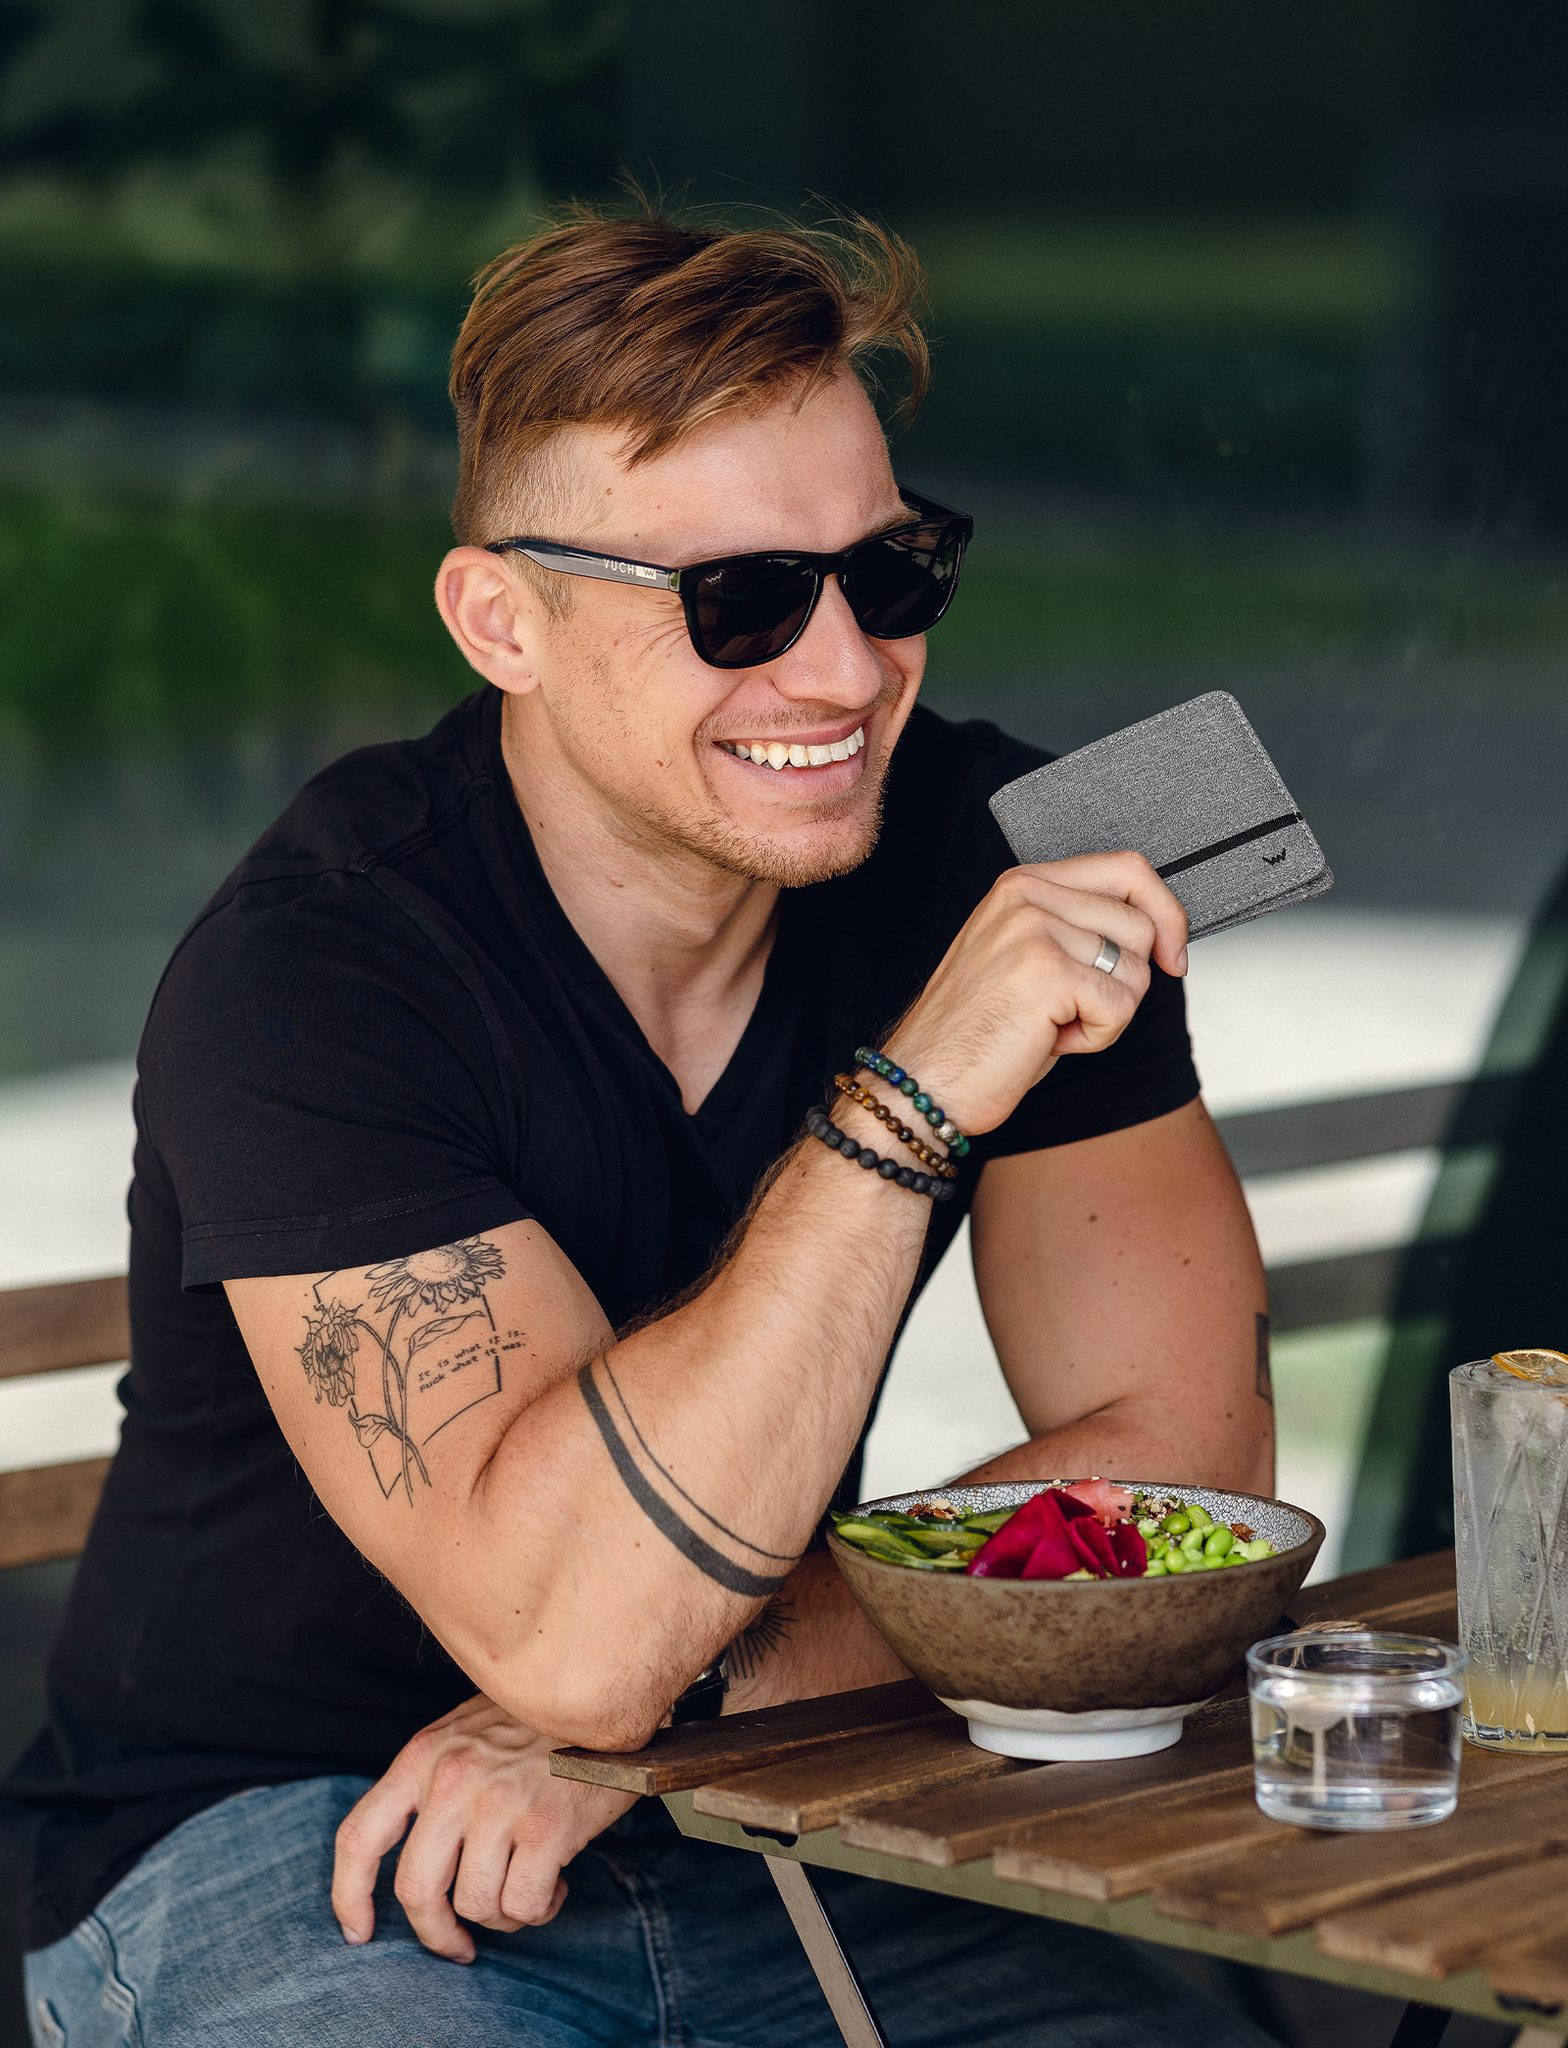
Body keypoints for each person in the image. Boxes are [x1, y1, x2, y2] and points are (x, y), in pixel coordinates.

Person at [1, 205, 1274, 2047]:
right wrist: (912, 1097)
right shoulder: (313, 971)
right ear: (501, 620)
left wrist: (703, 1696)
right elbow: (581, 1644)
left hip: (782, 1791)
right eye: (738, 600)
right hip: (290, 1842)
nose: (842, 672)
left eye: (890, 573)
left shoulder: (996, 857)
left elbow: (1192, 1471)